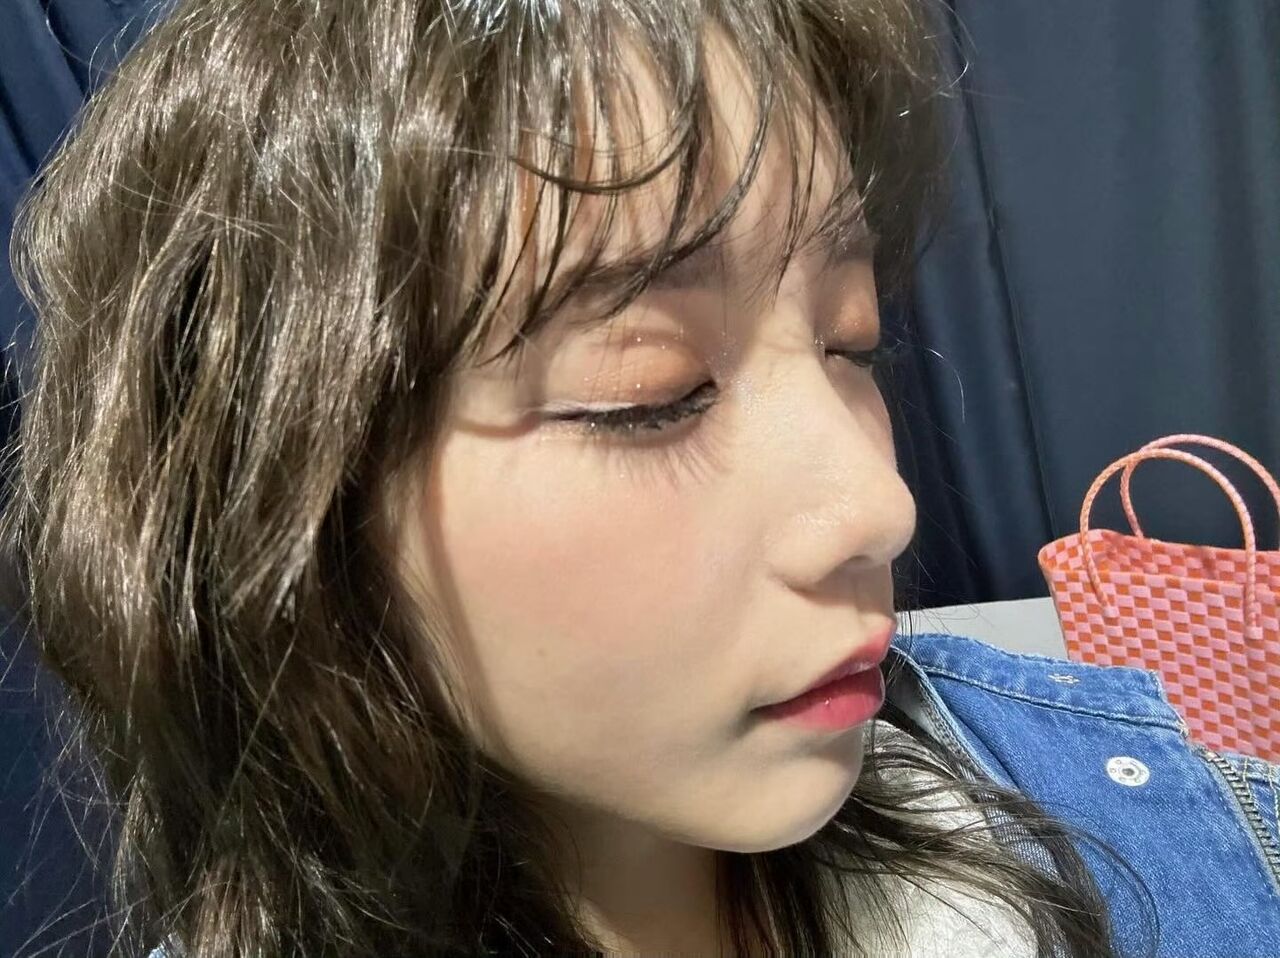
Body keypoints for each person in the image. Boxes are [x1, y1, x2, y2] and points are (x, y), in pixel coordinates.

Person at [4, 0, 1278, 955]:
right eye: (648, 390)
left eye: (847, 341)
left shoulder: (1172, 832)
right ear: (275, 518)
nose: (876, 507)